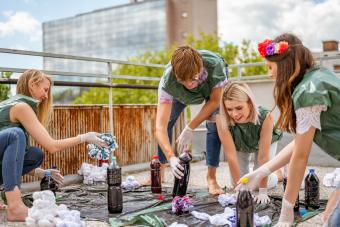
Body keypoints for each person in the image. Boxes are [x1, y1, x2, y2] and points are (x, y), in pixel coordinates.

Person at [236, 33, 340, 227]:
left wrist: (286, 211)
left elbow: (301, 155)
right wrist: (263, 171)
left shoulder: (308, 91)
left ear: (284, 65)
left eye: (270, 67)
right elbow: (300, 143)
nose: (270, 74)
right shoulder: (317, 75)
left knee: (333, 221)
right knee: (329, 219)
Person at [0, 69, 107, 221]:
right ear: (32, 84)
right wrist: (84, 137)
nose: (46, 96)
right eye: (45, 90)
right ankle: (15, 206)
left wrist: (40, 173)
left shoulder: (14, 104)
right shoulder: (21, 107)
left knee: (34, 155)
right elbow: (52, 146)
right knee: (15, 135)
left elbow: (10, 157)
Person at [156, 46, 228, 195]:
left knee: (214, 123)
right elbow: (160, 127)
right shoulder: (168, 82)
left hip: (209, 89)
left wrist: (191, 127)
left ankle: (211, 178)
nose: (189, 84)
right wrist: (171, 157)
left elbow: (214, 101)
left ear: (201, 66)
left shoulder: (215, 66)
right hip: (180, 95)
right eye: (183, 80)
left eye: (193, 78)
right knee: (168, 121)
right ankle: (159, 172)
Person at [216, 81, 282, 204]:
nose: (234, 114)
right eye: (229, 109)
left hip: (263, 145)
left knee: (257, 184)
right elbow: (231, 156)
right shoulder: (222, 119)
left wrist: (263, 190)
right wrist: (238, 192)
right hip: (240, 144)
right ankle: (258, 173)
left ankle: (278, 174)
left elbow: (263, 156)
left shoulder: (265, 116)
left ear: (250, 103)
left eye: (239, 108)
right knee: (238, 183)